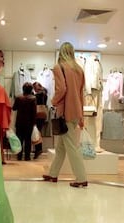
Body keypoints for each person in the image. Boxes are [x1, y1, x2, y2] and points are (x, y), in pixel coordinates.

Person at [42, 42, 88, 188]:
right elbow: (81, 94)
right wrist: (81, 116)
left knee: (71, 147)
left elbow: (61, 89)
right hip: (75, 112)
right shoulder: (79, 70)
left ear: (61, 52)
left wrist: (53, 101)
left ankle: (81, 178)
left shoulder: (59, 67)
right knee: (61, 147)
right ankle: (53, 174)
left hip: (65, 112)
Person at [12, 82, 36, 161]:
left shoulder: (19, 98)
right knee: (28, 140)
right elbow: (34, 112)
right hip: (29, 123)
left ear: (23, 89)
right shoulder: (33, 98)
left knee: (19, 139)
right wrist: (33, 123)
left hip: (19, 122)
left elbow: (14, 108)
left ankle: (19, 156)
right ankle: (27, 157)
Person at [33, 81, 48, 159]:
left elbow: (37, 98)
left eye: (35, 88)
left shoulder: (40, 94)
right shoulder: (44, 93)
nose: (35, 89)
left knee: (37, 132)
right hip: (43, 115)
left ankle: (38, 149)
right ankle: (38, 149)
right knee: (38, 131)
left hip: (38, 114)